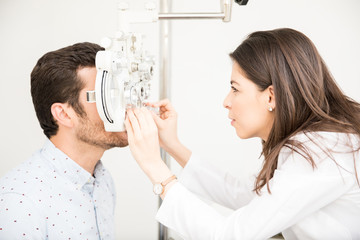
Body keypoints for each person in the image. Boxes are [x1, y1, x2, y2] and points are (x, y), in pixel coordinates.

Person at [124, 28, 360, 239]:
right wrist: (172, 145)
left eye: (235, 89)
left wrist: (155, 168)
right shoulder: (315, 143)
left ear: (271, 96)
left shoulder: (321, 151)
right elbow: (246, 195)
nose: (226, 102)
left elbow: (230, 235)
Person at [0, 42, 128, 239]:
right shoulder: (20, 202)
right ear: (64, 114)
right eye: (104, 96)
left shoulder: (103, 180)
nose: (120, 107)